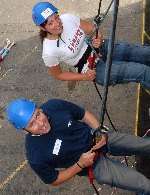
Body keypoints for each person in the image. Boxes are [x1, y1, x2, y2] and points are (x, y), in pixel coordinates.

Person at [6, 97, 150, 194]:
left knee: (145, 144)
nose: (41, 123)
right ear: (24, 130)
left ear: (39, 108)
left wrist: (99, 130)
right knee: (143, 184)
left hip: (99, 138)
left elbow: (82, 114)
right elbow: (53, 179)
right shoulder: (35, 155)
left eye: (37, 115)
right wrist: (80, 165)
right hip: (91, 165)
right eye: (32, 124)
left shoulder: (54, 106)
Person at [31, 1, 150, 89]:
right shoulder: (49, 51)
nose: (58, 24)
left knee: (144, 53)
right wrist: (84, 77)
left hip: (100, 47)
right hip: (92, 68)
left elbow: (92, 29)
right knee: (142, 72)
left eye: (57, 18)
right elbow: (59, 75)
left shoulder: (67, 19)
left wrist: (97, 37)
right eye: (51, 23)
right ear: (42, 27)